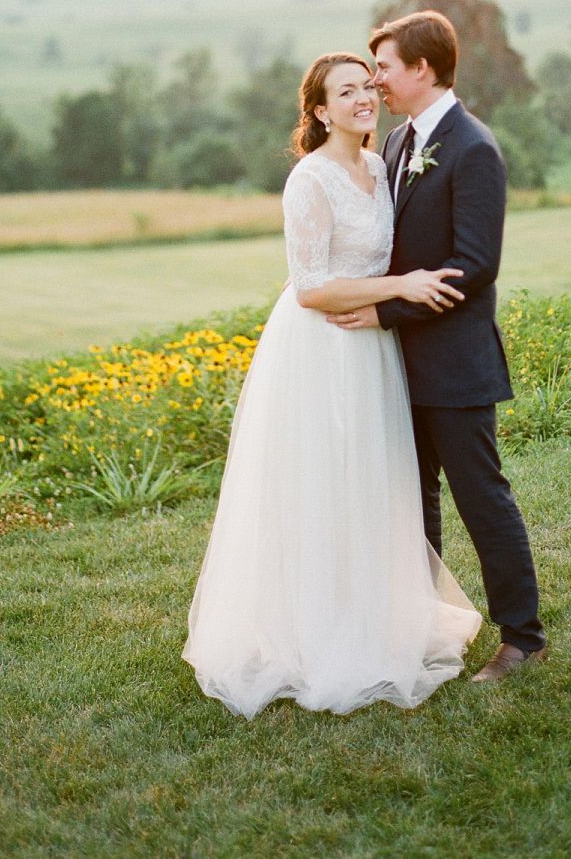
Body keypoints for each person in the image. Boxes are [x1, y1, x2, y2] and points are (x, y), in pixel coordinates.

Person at [183, 52, 481, 718]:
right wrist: (401, 286)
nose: (362, 99)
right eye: (345, 92)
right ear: (320, 111)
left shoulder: (380, 166)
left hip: (372, 347)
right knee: (320, 482)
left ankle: (372, 615)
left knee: (370, 480)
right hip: (321, 350)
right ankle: (314, 633)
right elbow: (312, 288)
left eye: (367, 87)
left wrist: (395, 299)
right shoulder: (310, 180)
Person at [328, 11, 548, 682]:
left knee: (481, 497)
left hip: (455, 363)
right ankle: (421, 623)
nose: (376, 82)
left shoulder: (472, 148)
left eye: (385, 68)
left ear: (422, 69)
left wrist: (383, 310)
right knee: (412, 500)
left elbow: (473, 265)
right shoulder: (398, 141)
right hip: (399, 364)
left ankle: (523, 637)